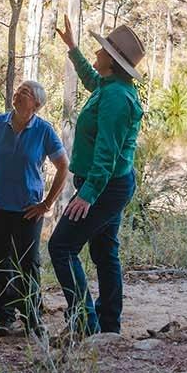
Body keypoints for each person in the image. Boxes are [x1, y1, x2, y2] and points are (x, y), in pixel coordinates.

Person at [47, 17, 145, 338]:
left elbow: (107, 152)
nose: (97, 52)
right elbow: (92, 80)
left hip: (104, 186)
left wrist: (88, 194)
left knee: (61, 247)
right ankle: (108, 326)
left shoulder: (117, 98)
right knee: (104, 252)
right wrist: (73, 49)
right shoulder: (110, 87)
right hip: (108, 184)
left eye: (102, 50)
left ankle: (86, 324)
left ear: (114, 62)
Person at [0, 78, 68, 336]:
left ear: (36, 104)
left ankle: (32, 315)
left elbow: (63, 166)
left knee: (28, 263)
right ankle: (4, 316)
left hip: (28, 210)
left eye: (25, 93)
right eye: (18, 90)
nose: (17, 94)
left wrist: (47, 203)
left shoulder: (43, 130)